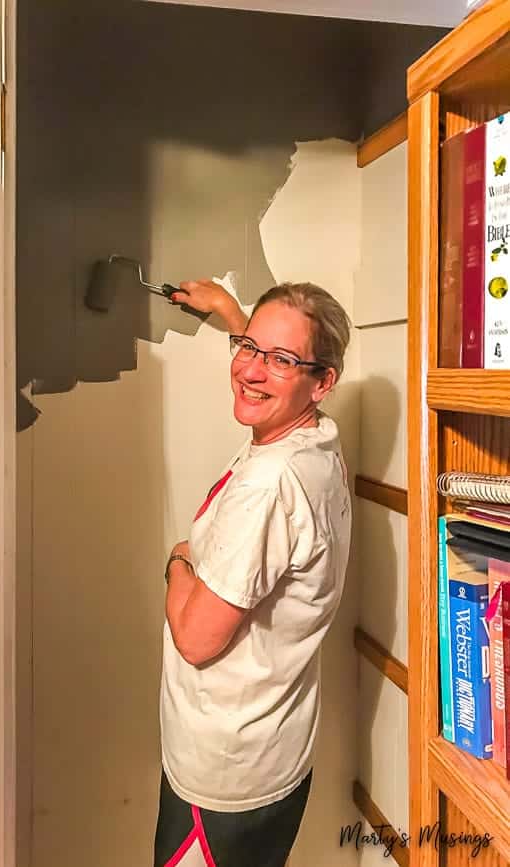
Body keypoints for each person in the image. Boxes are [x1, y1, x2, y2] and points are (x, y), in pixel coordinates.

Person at [154, 279, 352, 867]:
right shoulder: (314, 440)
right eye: (249, 347)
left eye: (281, 360)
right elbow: (270, 366)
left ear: (323, 382)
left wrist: (178, 560)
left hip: (223, 776)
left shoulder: (270, 485)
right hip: (275, 749)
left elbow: (194, 639)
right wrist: (227, 312)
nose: (251, 370)